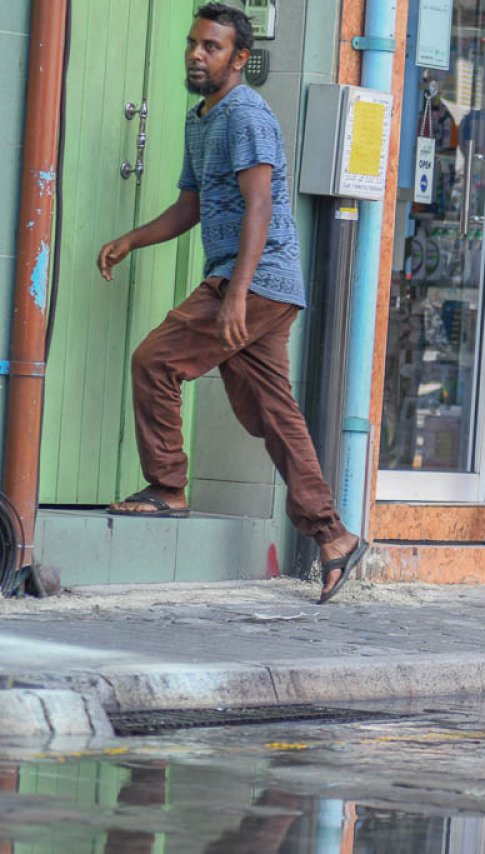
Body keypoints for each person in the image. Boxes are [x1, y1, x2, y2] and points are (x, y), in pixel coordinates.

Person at [96, 4, 365, 604]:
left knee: (155, 361)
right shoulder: (203, 119)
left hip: (255, 281)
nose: (197, 54)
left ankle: (166, 487)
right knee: (272, 415)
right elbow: (191, 205)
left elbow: (261, 205)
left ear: (239, 59)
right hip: (257, 284)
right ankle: (334, 536)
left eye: (211, 47)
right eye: (194, 44)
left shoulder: (245, 113)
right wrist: (132, 241)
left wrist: (236, 291)